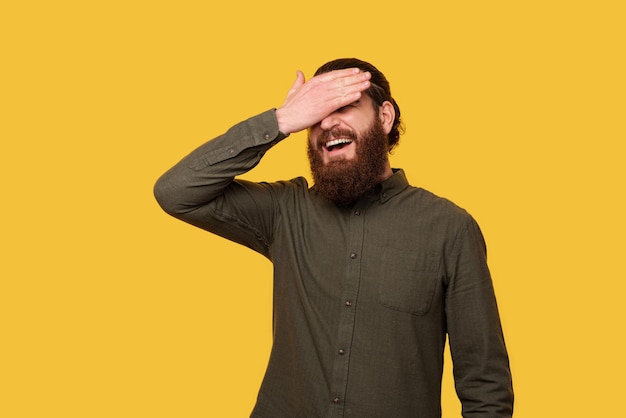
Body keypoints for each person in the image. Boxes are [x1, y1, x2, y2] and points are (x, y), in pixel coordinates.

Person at [154, 58, 514, 417]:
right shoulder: (284, 211)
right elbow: (176, 192)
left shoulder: (450, 228)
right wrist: (280, 121)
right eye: (314, 114)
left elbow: (485, 386)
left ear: (385, 117)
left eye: (343, 106)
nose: (326, 123)